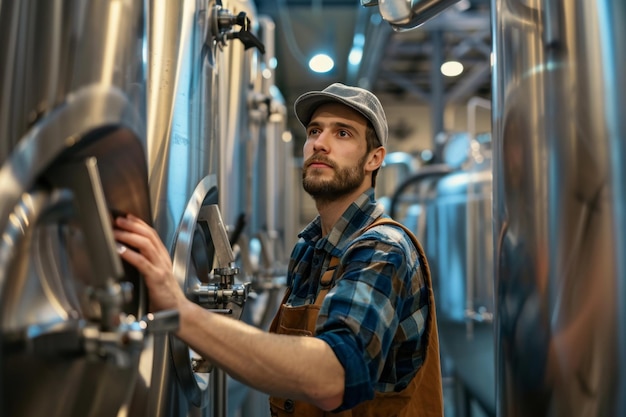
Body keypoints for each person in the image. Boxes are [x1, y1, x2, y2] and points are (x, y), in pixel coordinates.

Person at [114, 83, 443, 416]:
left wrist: (179, 312)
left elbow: (333, 378)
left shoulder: (383, 248)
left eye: (342, 134)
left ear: (375, 158)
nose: (320, 144)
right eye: (315, 131)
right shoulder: (309, 249)